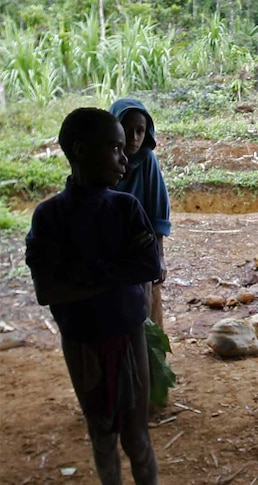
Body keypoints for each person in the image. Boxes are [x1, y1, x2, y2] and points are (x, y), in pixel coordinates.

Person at [25, 108, 161, 485]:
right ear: (82, 151)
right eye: (115, 148)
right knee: (104, 436)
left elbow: (148, 267)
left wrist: (83, 275)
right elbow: (47, 291)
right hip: (85, 343)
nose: (125, 156)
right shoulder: (50, 216)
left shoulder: (125, 207)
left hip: (123, 336)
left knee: (135, 438)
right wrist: (115, 272)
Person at [108, 98, 171, 329]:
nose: (134, 138)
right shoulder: (100, 163)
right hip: (110, 253)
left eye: (140, 131)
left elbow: (157, 209)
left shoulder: (147, 161)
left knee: (146, 320)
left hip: (140, 249)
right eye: (127, 129)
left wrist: (159, 256)